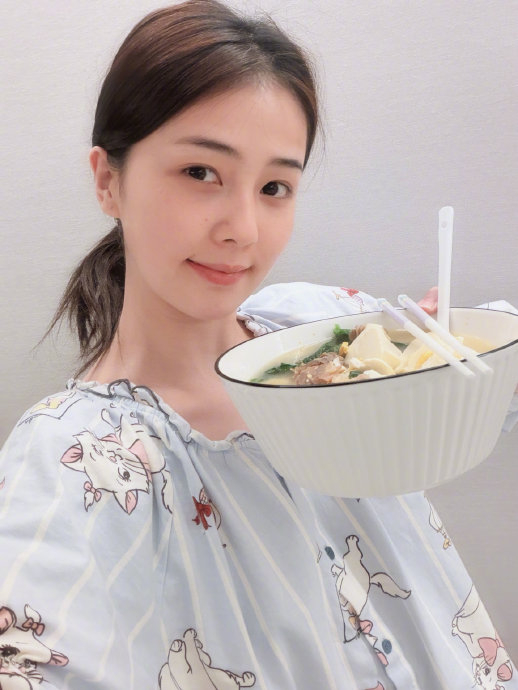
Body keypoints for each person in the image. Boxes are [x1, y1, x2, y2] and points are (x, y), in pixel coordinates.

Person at [0, 2, 516, 688]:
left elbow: (487, 387)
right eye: (201, 173)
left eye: (275, 186)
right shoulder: (77, 454)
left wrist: (449, 356)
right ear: (107, 180)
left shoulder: (322, 328)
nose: (242, 228)